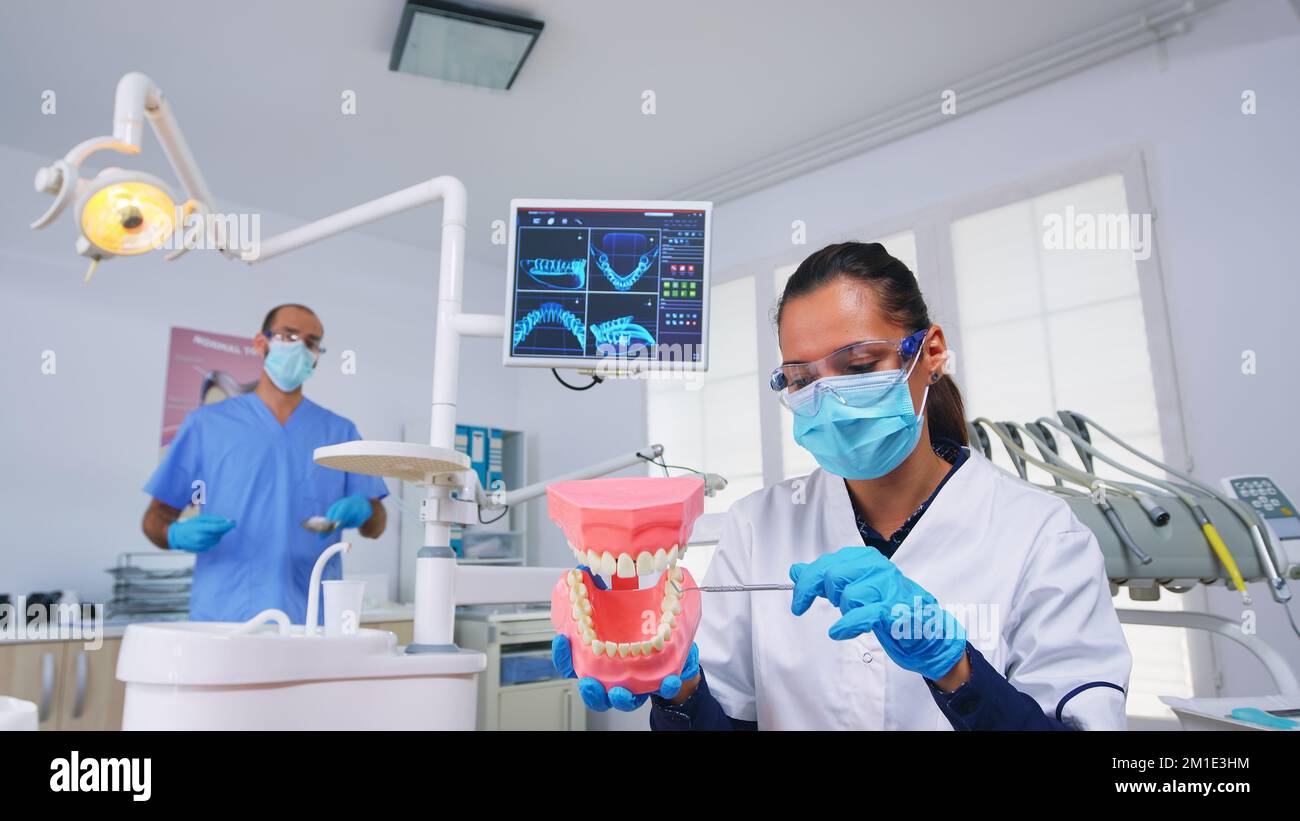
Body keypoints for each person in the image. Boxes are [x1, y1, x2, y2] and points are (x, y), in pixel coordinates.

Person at [555, 242, 1131, 729]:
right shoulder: (759, 527)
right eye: (802, 379)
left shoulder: (1041, 534)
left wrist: (955, 667)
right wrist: (678, 691)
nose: (827, 397)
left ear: (929, 353)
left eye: (857, 367)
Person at [141, 304, 388, 623]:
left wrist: (367, 510)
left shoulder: (340, 431)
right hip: (225, 617)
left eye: (311, 342)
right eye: (289, 336)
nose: (300, 347)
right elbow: (154, 518)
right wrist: (174, 534)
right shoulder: (206, 425)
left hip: (313, 619)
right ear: (261, 342)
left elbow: (377, 524)